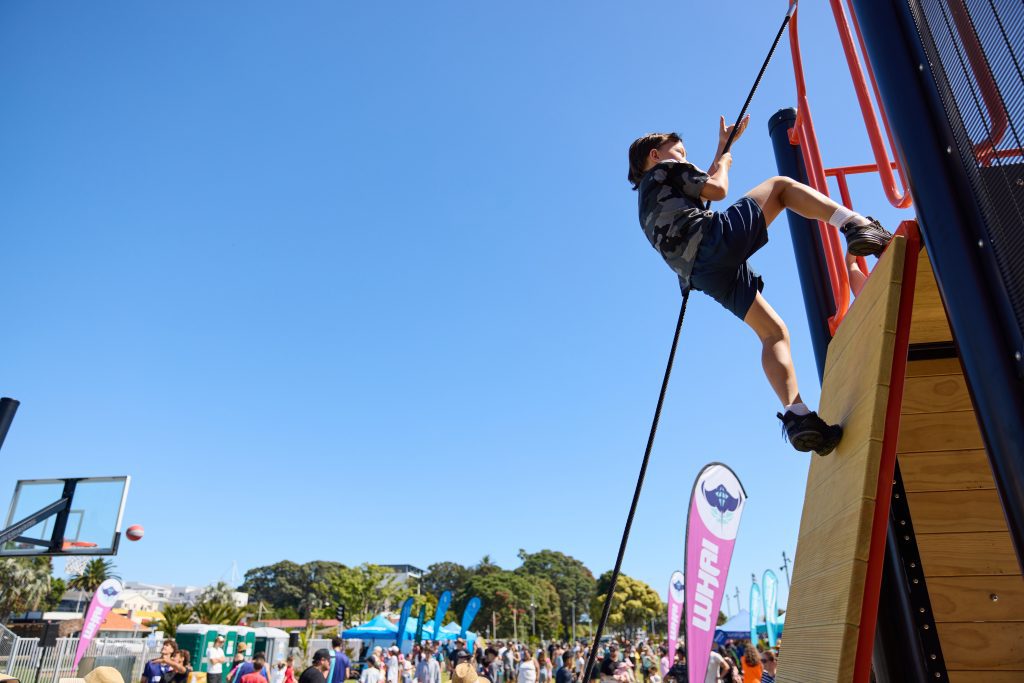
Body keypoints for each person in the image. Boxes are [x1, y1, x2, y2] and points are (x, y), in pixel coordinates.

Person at [628, 127, 894, 455]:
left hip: (700, 273)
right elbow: (717, 189)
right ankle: (854, 224)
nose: (685, 159)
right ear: (655, 155)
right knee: (781, 187)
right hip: (710, 242)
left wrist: (724, 148)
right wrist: (723, 163)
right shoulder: (666, 168)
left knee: (774, 332)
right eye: (680, 152)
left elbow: (701, 190)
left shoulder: (647, 199)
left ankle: (798, 414)